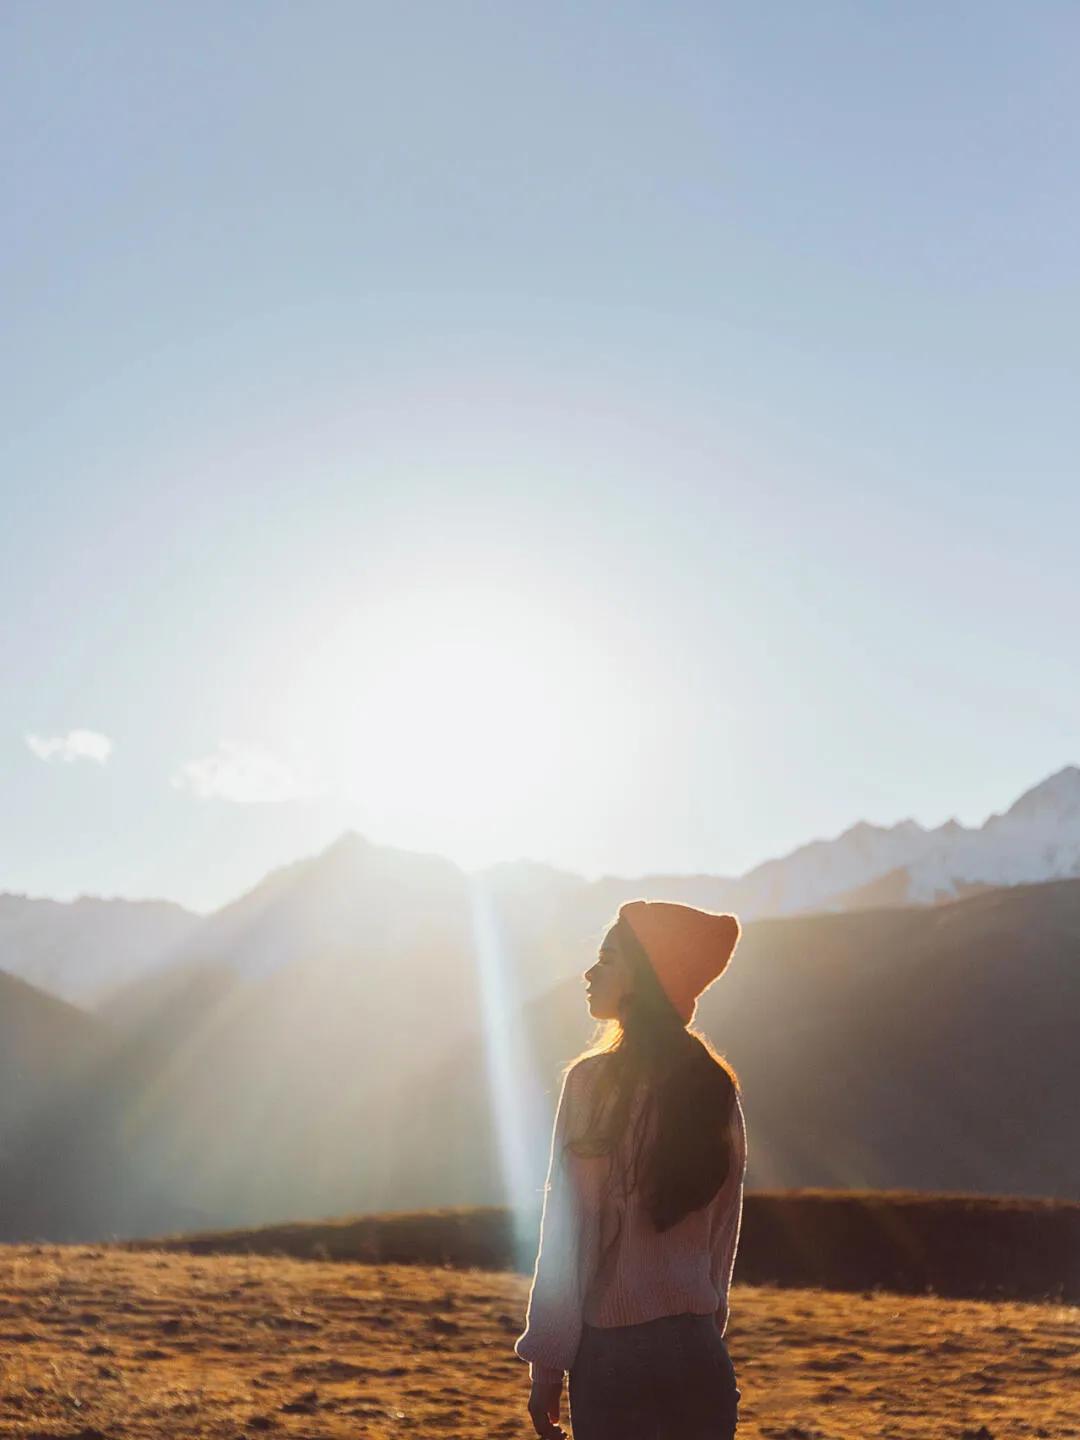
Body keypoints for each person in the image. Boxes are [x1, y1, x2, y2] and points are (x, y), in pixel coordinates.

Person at [514, 898, 747, 1440]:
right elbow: (722, 1238)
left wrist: (548, 1366)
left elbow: (570, 1233)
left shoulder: (594, 1085)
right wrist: (705, 1334)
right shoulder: (714, 1086)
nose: (590, 973)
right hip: (700, 1358)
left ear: (645, 976)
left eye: (608, 958)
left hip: (616, 1360)